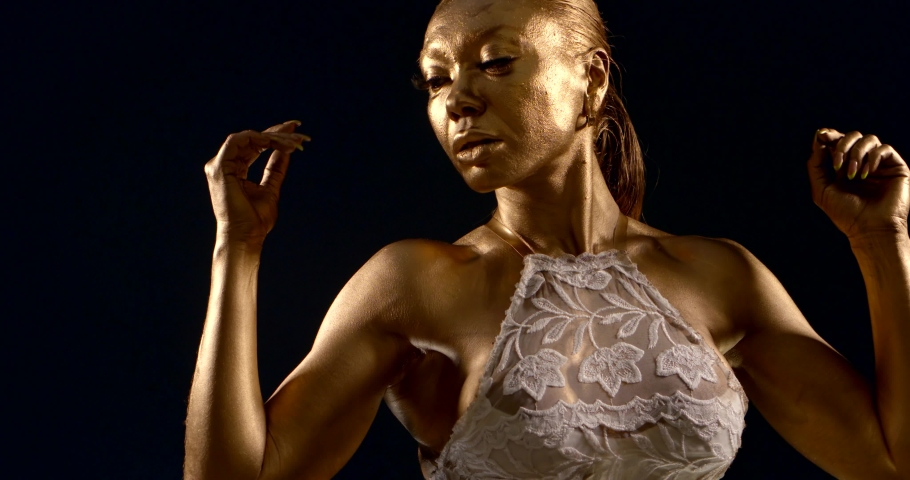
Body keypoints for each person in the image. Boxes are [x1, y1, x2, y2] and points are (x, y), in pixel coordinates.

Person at [183, 0, 910, 478]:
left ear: (591, 81)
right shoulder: (416, 284)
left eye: (496, 63)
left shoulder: (720, 277)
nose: (458, 100)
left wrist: (884, 244)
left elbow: (888, 460)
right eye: (436, 81)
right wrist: (235, 251)